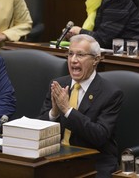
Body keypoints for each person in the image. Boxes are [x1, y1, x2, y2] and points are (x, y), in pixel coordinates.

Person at [38, 34, 124, 177]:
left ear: (96, 59)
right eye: (70, 54)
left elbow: (99, 136)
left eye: (80, 55)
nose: (73, 60)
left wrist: (67, 110)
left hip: (93, 162)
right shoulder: (59, 85)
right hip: (57, 159)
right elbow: (38, 127)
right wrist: (54, 113)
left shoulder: (111, 94)